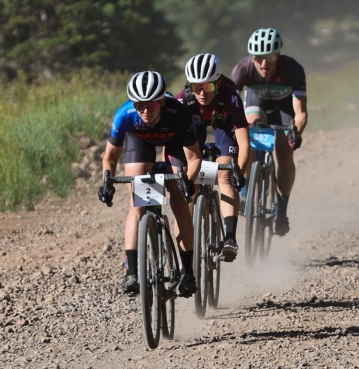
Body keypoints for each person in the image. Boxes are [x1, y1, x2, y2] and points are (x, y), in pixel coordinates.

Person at [98, 71, 202, 295]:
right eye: (140, 105)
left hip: (173, 141)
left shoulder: (178, 113)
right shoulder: (125, 115)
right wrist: (107, 180)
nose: (145, 111)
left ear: (162, 101)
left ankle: (188, 270)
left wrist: (189, 182)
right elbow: (110, 157)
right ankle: (131, 272)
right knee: (137, 205)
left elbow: (194, 158)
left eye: (152, 106)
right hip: (139, 142)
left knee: (179, 200)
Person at [231, 28, 307, 236]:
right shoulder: (242, 70)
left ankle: (282, 212)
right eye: (259, 58)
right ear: (251, 57)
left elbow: (300, 112)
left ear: (279, 55)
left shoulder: (293, 69)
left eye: (270, 57)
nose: (264, 63)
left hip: (284, 109)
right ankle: (246, 192)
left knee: (284, 150)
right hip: (257, 104)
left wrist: (296, 132)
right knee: (249, 136)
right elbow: (231, 107)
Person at [176, 53, 250, 261]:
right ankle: (187, 241)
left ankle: (229, 238)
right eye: (196, 86)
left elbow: (245, 143)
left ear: (218, 84)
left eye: (207, 87)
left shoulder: (231, 96)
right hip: (195, 125)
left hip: (224, 124)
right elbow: (173, 143)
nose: (201, 93)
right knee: (192, 180)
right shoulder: (183, 99)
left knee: (225, 174)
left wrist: (240, 173)